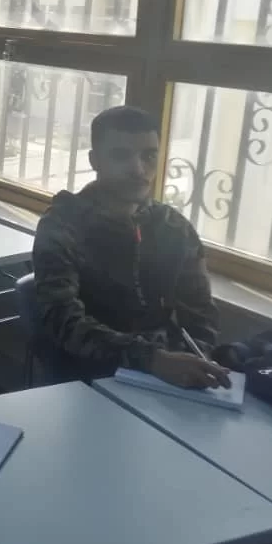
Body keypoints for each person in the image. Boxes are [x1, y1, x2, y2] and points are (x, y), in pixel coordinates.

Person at [33, 105, 230, 388]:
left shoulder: (173, 227)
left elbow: (201, 314)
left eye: (149, 156)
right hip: (91, 376)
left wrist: (198, 359)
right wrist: (152, 360)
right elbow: (61, 320)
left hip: (167, 379)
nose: (138, 170)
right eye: (121, 155)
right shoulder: (63, 224)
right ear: (95, 160)